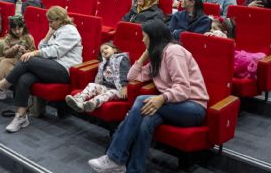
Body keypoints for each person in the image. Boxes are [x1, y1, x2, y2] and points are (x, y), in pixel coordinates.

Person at [88, 19, 208, 173]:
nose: (142, 40)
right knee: (146, 121)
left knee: (140, 101)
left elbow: (183, 89)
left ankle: (115, 158)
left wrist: (162, 98)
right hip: (173, 105)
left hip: (193, 107)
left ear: (154, 37)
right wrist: (144, 56)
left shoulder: (174, 52)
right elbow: (132, 77)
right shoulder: (157, 56)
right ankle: (134, 169)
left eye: (144, 37)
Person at [0, 6, 83, 133]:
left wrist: (34, 53)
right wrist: (48, 34)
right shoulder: (57, 30)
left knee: (27, 59)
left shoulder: (70, 30)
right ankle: (21, 116)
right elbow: (42, 47)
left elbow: (56, 51)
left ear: (59, 19)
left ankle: (0, 86)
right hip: (51, 66)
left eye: (51, 21)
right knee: (24, 78)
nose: (49, 24)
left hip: (64, 70)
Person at [65, 42, 130, 112]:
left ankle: (92, 103)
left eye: (106, 48)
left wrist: (124, 86)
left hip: (118, 90)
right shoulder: (103, 63)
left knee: (109, 93)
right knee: (91, 85)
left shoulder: (121, 58)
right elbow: (99, 77)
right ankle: (79, 100)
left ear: (115, 50)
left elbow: (125, 72)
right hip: (105, 87)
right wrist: (96, 87)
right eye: (102, 51)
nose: (104, 51)